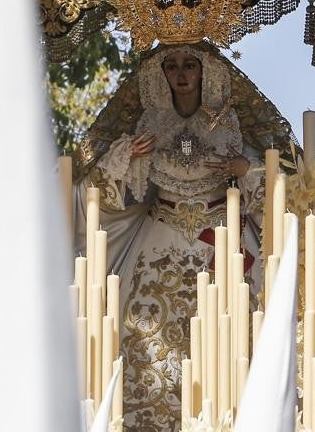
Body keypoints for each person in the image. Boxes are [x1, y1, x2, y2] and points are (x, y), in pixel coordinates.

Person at [75, 42, 282, 430]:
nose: (182, 74)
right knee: (144, 341)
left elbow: (278, 180)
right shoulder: (150, 124)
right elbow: (97, 188)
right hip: (160, 240)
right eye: (172, 66)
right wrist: (127, 158)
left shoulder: (230, 122)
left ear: (206, 72)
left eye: (190, 65)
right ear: (162, 74)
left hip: (221, 238)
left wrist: (245, 167)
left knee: (236, 334)